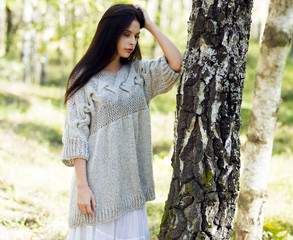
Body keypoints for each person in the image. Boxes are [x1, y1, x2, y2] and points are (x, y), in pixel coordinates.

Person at [61, 3, 183, 240]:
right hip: (97, 187)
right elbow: (76, 137)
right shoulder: (84, 77)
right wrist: (83, 188)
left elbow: (176, 62)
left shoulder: (138, 74)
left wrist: (150, 25)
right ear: (110, 33)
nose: (132, 42)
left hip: (130, 186)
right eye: (126, 34)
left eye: (136, 36)